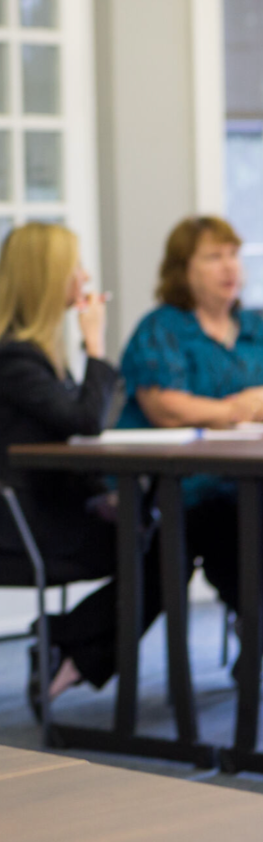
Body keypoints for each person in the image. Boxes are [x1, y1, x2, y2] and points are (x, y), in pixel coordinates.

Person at [0, 222, 162, 707]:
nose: (86, 276)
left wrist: (101, 497)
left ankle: (66, 650)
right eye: (75, 267)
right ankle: (60, 642)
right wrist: (95, 344)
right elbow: (86, 421)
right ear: (48, 277)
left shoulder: (42, 355)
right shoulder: (14, 357)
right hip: (18, 518)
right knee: (162, 553)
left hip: (48, 507)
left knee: (165, 541)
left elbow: (71, 435)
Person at [118, 215, 263, 625]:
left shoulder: (255, 326)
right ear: (183, 269)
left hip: (248, 479)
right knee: (220, 526)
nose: (229, 266)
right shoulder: (163, 328)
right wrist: (241, 407)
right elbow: (168, 408)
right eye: (213, 257)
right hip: (186, 481)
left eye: (233, 254)